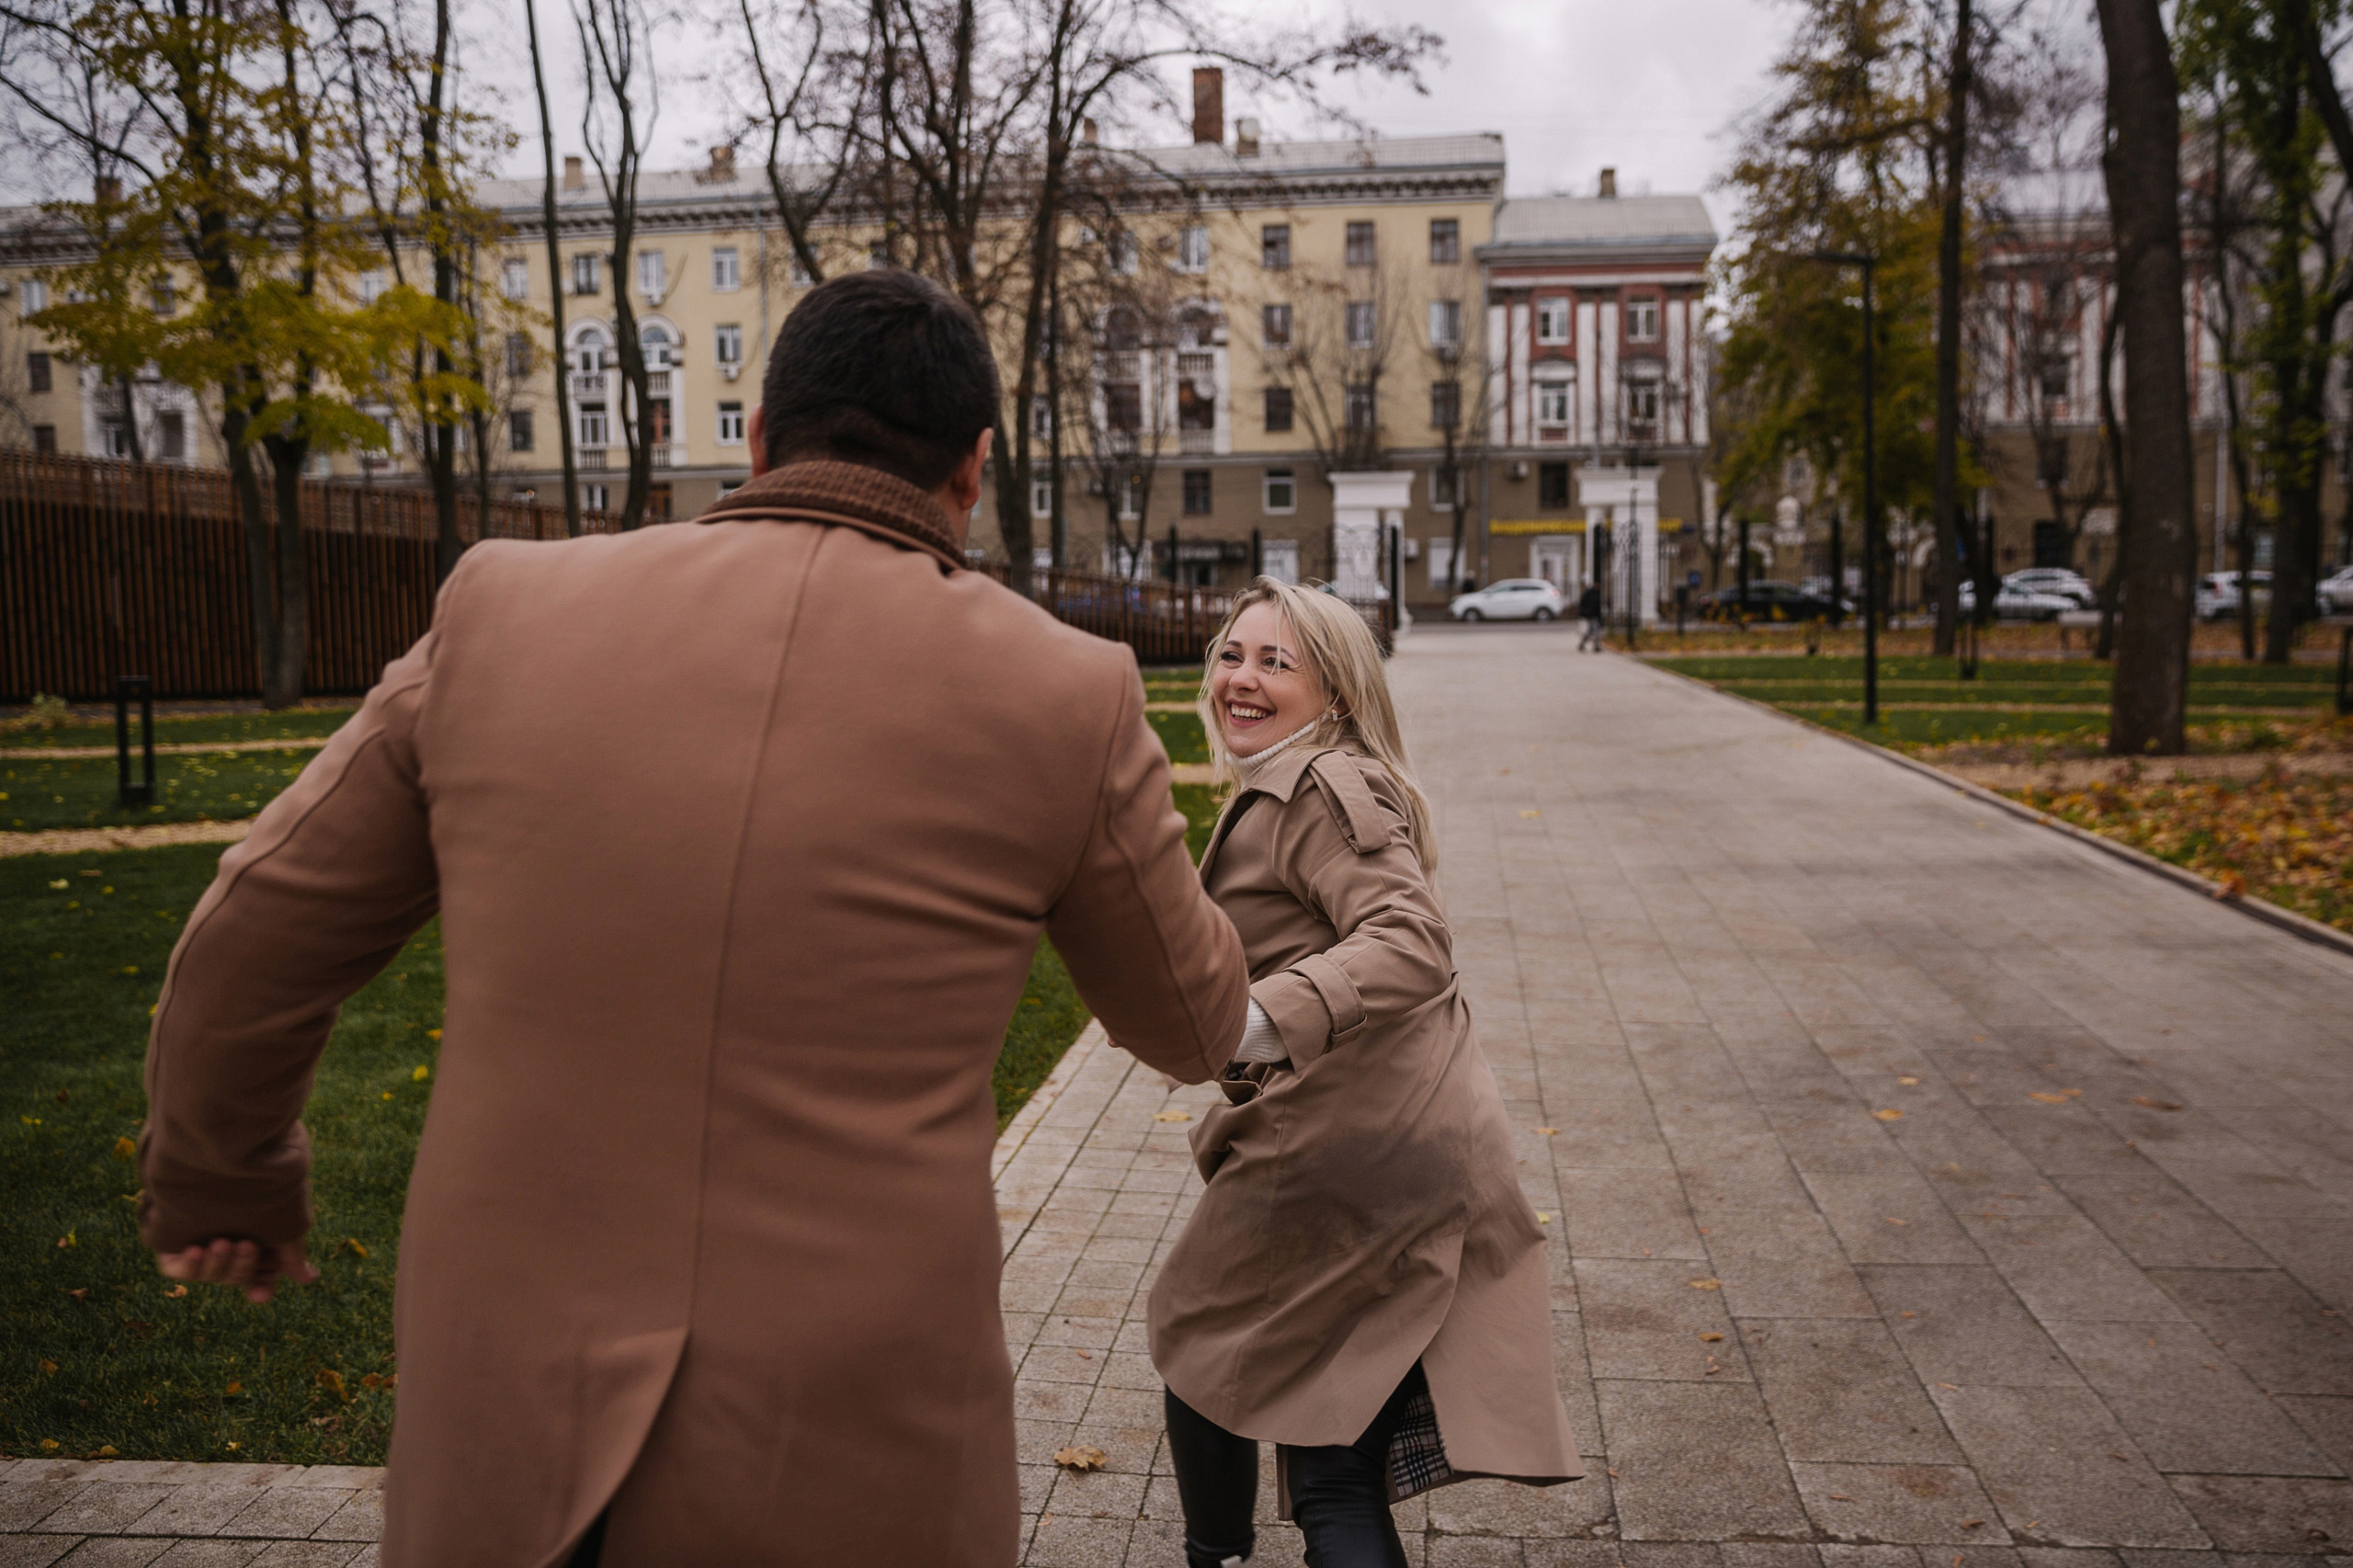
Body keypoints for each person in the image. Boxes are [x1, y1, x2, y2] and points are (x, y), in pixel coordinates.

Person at [138, 269, 1252, 1568]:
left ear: (764, 439)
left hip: (515, 1415)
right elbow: (1193, 1019)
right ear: (973, 466)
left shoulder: (503, 607)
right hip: (853, 1433)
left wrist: (225, 1178)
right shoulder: (1067, 690)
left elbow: (256, 928)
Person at [1149, 579, 1581, 1568]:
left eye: (1274, 661)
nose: (1240, 678)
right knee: (1329, 1447)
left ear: (1336, 693)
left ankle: (1214, 1551)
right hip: (1400, 1131)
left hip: (1342, 1146)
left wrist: (1260, 1018)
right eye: (1230, 654)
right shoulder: (1294, 780)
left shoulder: (1324, 787)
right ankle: (1219, 1547)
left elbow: (1411, 939)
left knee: (1196, 1333)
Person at [1576, 579, 1605, 650]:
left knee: (1591, 631)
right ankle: (1596, 646)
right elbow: (1583, 604)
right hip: (1591, 615)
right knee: (1595, 630)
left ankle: (1582, 644)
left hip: (1595, 615)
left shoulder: (1598, 593)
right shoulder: (1589, 593)